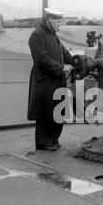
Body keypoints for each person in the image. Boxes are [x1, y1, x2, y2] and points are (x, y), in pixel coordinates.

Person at [27, 8, 76, 151]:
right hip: (44, 80)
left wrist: (76, 62)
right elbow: (42, 59)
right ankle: (43, 143)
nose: (60, 25)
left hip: (56, 80)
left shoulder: (53, 35)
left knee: (57, 111)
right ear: (50, 20)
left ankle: (54, 139)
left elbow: (65, 54)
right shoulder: (37, 36)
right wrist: (62, 68)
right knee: (45, 113)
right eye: (59, 22)